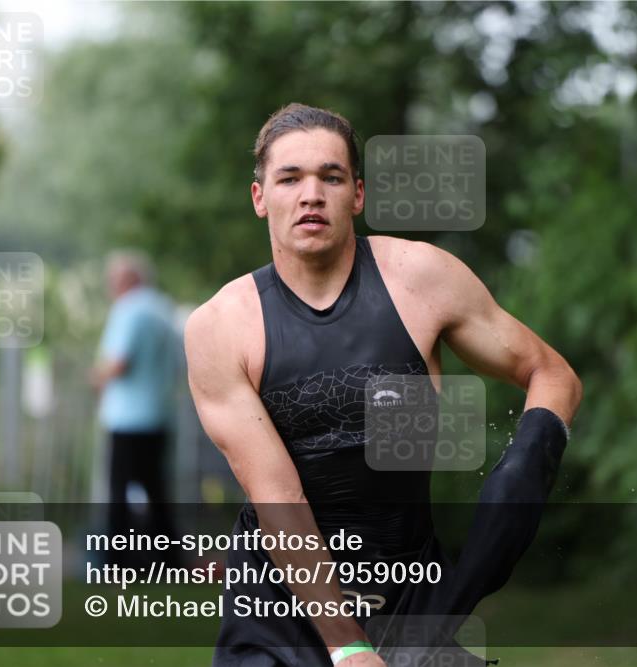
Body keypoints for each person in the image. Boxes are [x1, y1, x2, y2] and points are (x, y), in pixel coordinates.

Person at [185, 103, 582, 666]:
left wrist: (523, 469)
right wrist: (348, 647)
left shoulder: (422, 279)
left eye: (331, 176)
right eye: (289, 178)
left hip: (407, 592)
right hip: (277, 609)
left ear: (359, 195)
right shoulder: (220, 327)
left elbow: (551, 372)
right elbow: (280, 500)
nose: (311, 194)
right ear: (259, 199)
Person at [92, 249, 182, 565]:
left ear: (126, 279)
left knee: (119, 491)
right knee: (157, 490)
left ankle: (118, 560)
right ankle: (169, 558)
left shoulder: (128, 310)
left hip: (127, 417)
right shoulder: (163, 310)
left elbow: (118, 362)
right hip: (159, 413)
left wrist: (95, 378)